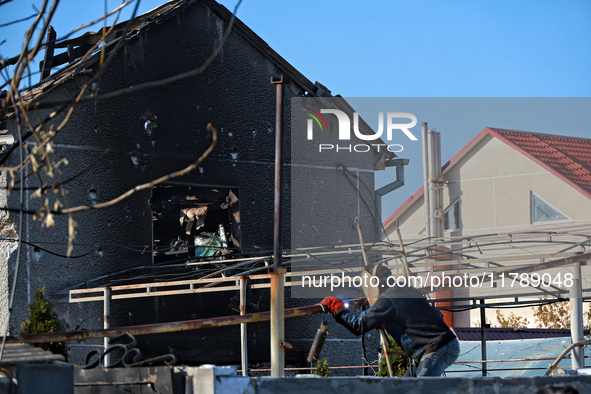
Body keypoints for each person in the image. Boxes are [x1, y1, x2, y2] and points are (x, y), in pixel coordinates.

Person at [320, 264, 460, 377]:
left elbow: (358, 326)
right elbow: (412, 317)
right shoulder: (405, 289)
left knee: (419, 390)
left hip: (437, 349)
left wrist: (337, 309)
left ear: (373, 283)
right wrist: (388, 321)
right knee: (403, 389)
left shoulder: (388, 299)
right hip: (440, 347)